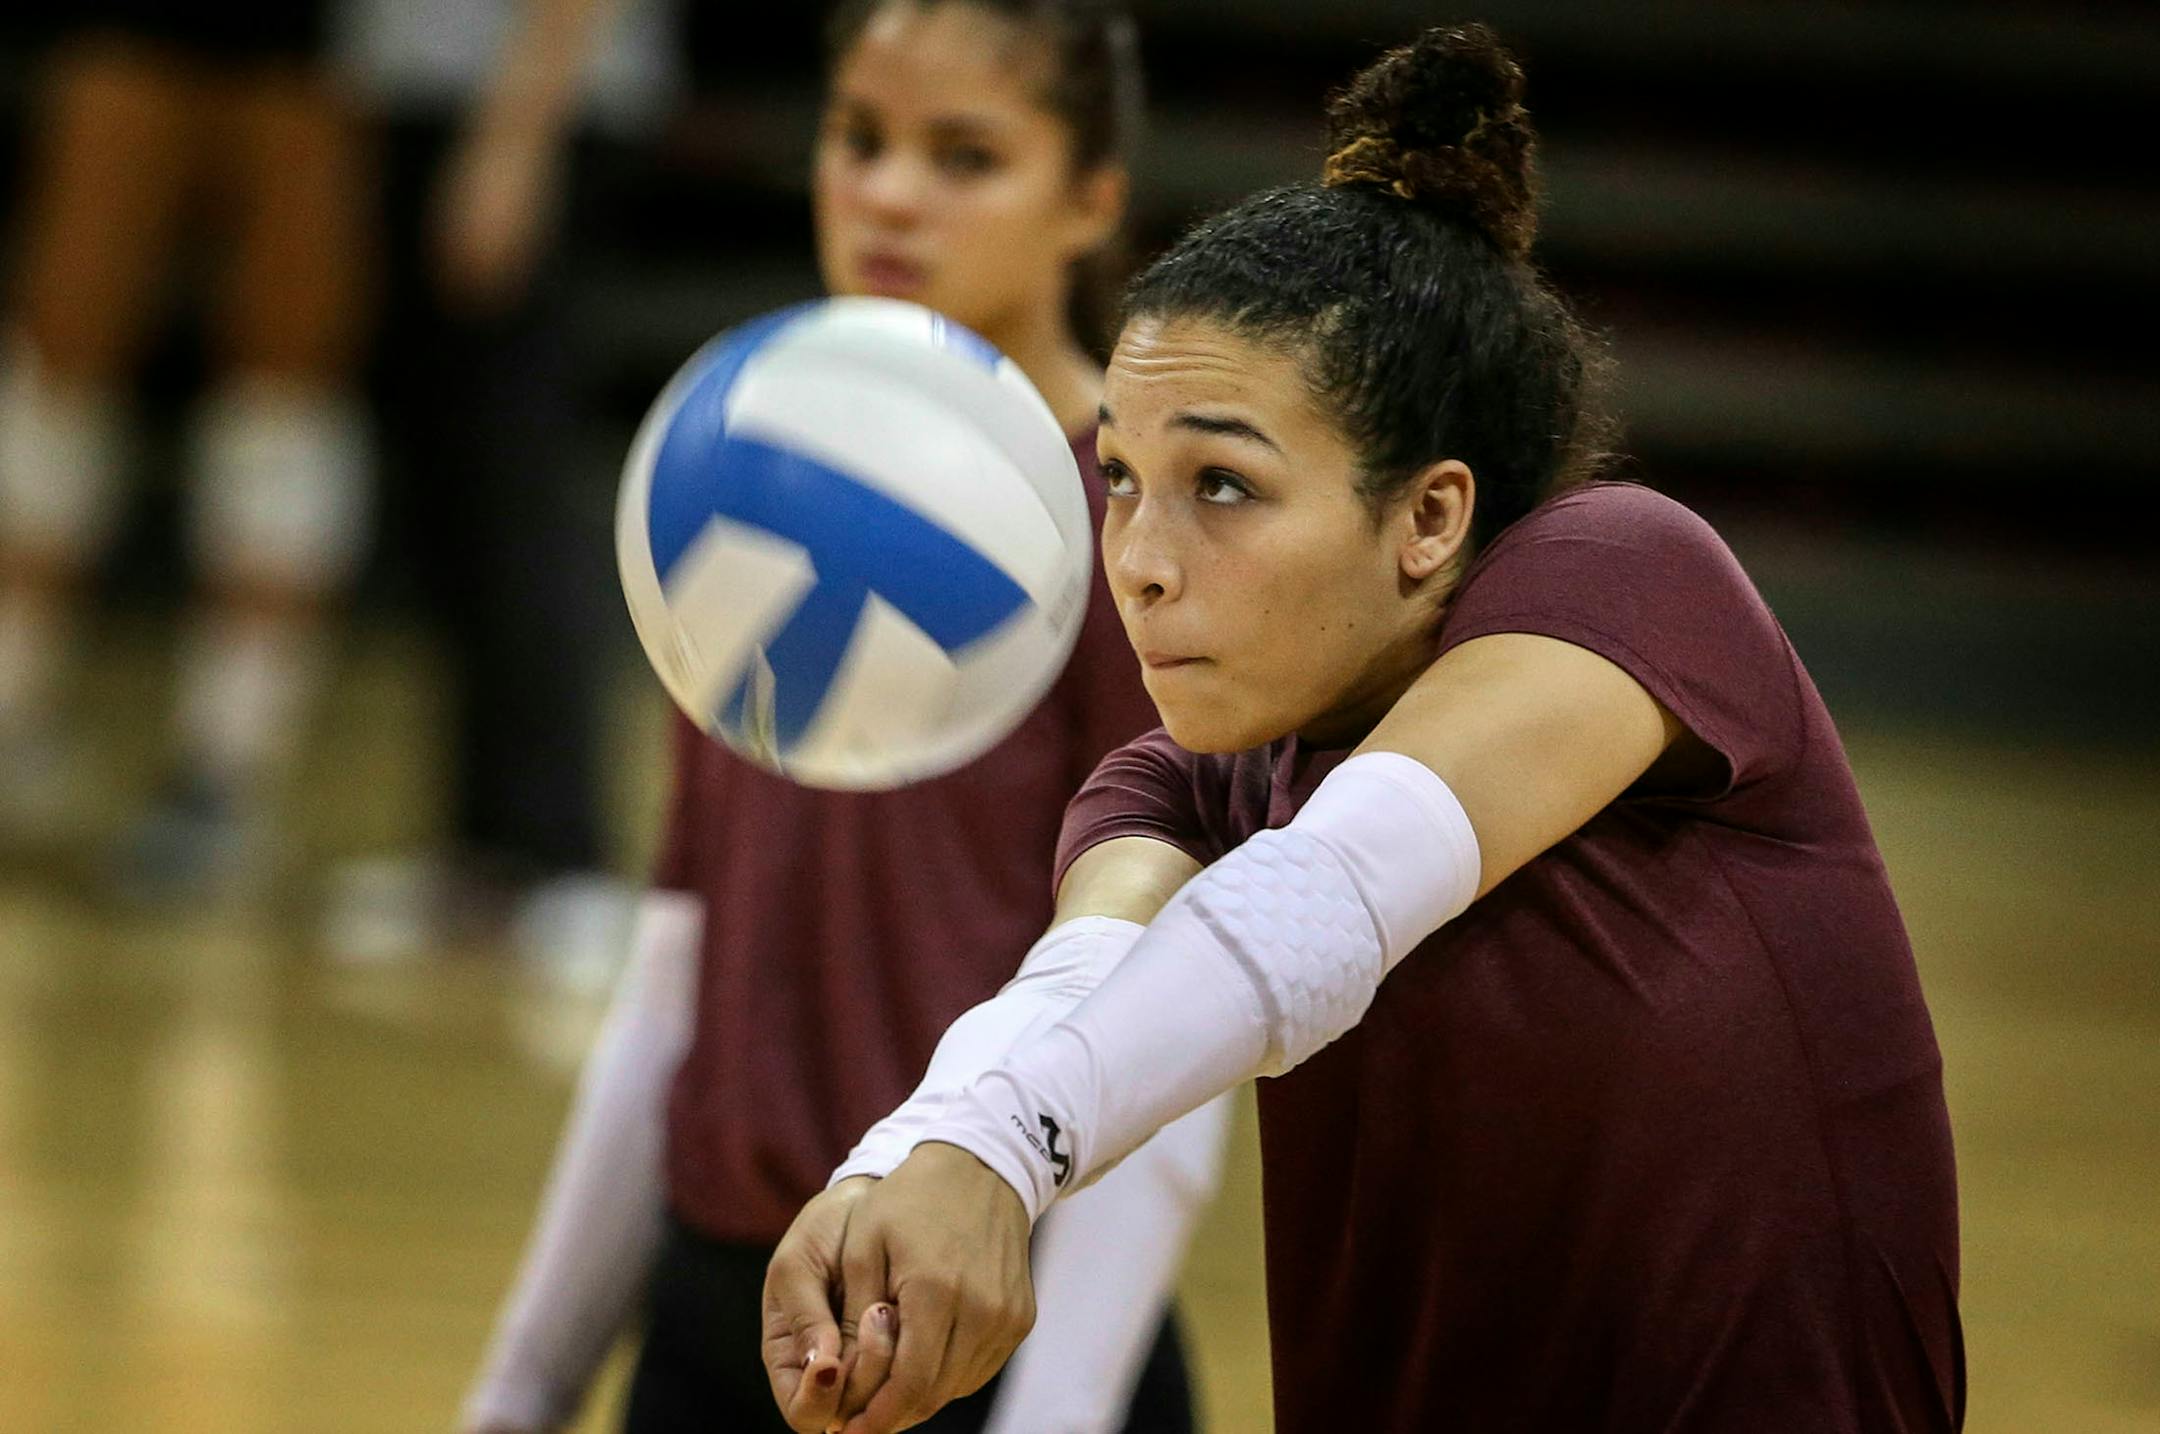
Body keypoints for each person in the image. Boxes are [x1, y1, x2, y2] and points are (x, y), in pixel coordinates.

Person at [764, 23, 1965, 1434]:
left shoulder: (1629, 579)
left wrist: (999, 1154)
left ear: (1432, 515)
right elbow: (1077, 985)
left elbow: (1326, 888)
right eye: (1121, 481)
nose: (1140, 559)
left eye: (1222, 484)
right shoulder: (1187, 772)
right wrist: (897, 1164)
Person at [461, 3, 1227, 1430]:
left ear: (1092, 198)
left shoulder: (1135, 532)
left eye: (965, 156)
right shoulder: (736, 472)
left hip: (986, 1327)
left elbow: (1174, 1053)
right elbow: (674, 986)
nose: (887, 192)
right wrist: (520, 1387)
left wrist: (1050, 1409)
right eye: (858, 137)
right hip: (720, 1314)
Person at [319, 0, 683, 969]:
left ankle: (567, 851)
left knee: (517, 475)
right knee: (457, 489)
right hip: (427, 101)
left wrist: (515, 139)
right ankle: (483, 852)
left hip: (524, 113)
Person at [0, 3, 371, 894]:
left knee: (283, 405)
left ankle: (227, 770)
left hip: (304, 50)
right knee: (59, 370)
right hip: (136, 33)